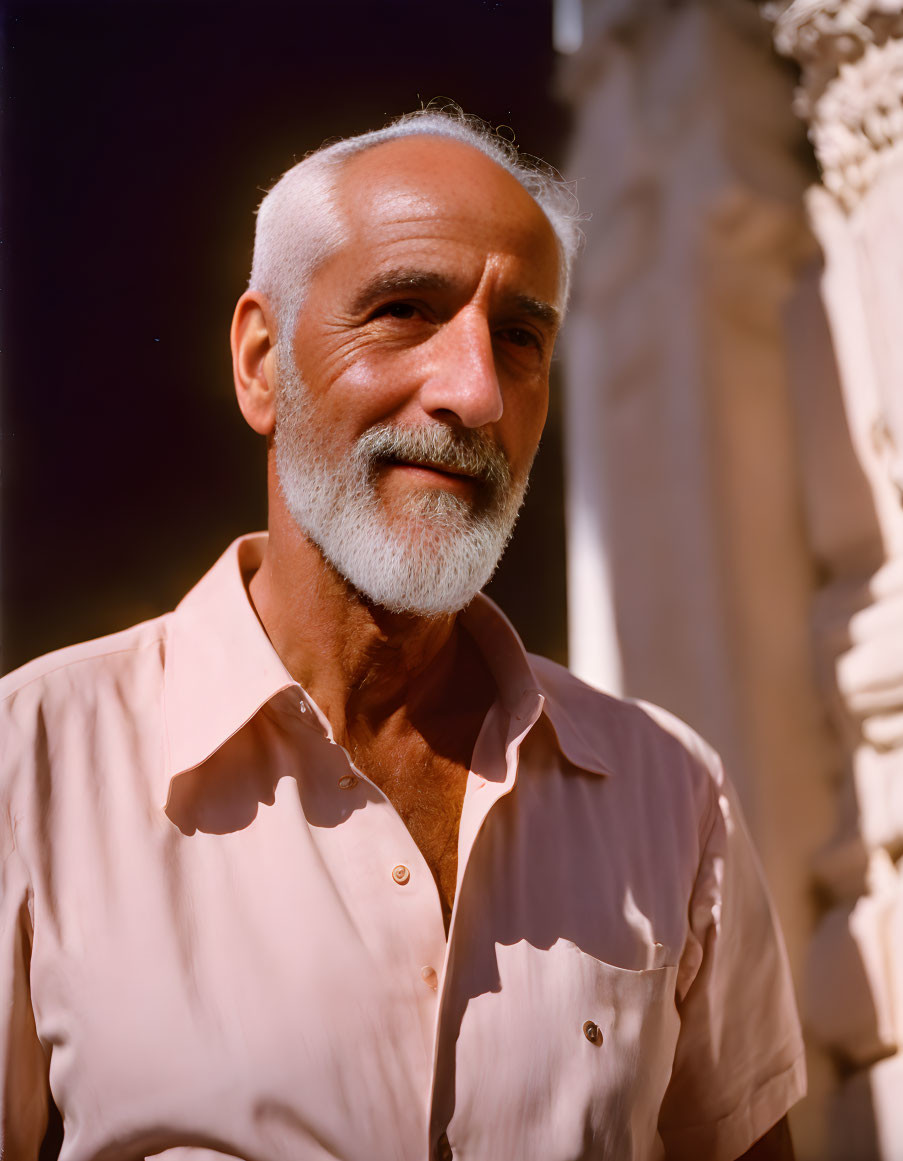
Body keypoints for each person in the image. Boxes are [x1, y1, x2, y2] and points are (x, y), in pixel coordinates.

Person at [1, 108, 805, 1161]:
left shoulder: (670, 796)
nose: (474, 393)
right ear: (260, 363)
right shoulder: (34, 764)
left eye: (519, 337)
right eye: (403, 310)